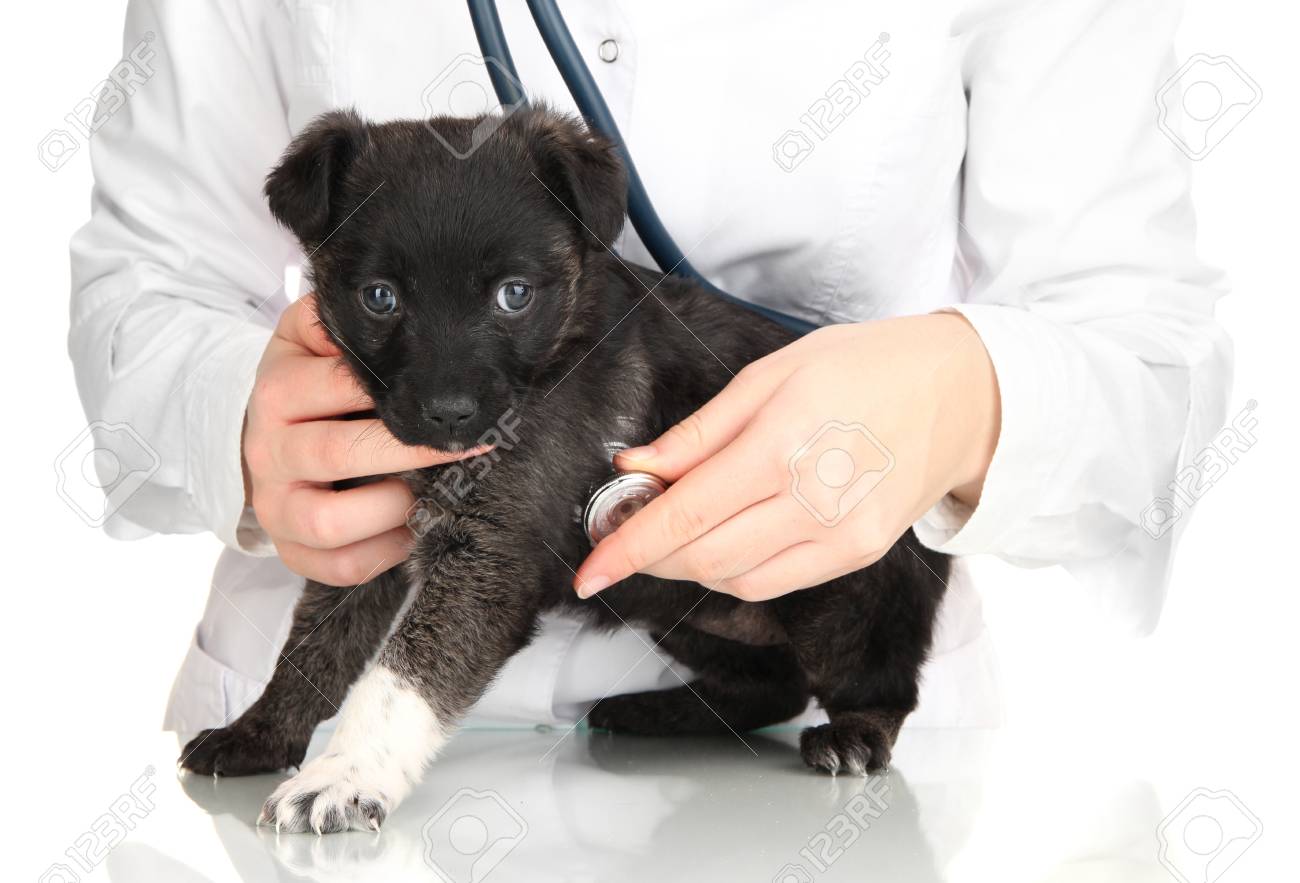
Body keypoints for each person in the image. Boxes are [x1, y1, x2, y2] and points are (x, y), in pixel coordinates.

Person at [70, 0, 1229, 734]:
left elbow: (1149, 355)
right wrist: (231, 420)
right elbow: (141, 279)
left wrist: (966, 396)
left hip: (809, 756)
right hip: (323, 743)